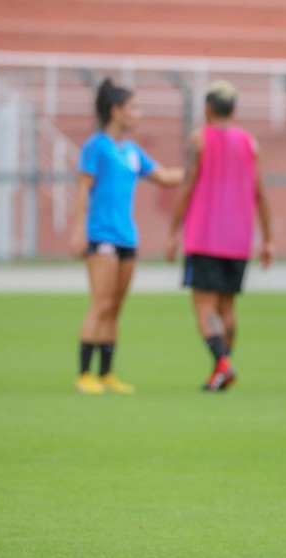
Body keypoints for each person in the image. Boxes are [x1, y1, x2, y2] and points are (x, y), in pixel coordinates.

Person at [70, 78, 183, 394]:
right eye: (133, 107)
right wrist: (78, 230)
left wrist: (201, 170)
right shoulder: (97, 146)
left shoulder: (132, 152)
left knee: (116, 306)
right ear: (116, 110)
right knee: (100, 303)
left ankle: (106, 373)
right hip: (101, 236)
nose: (139, 113)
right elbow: (82, 189)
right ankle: (84, 374)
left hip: (126, 238)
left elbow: (163, 176)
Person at [164, 80, 273, 391]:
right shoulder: (250, 143)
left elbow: (185, 188)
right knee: (228, 309)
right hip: (239, 239)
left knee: (205, 308)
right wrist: (268, 238)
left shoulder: (198, 140)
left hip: (204, 236)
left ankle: (223, 363)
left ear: (207, 109)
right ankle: (220, 371)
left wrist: (172, 232)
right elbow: (260, 194)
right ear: (234, 109)